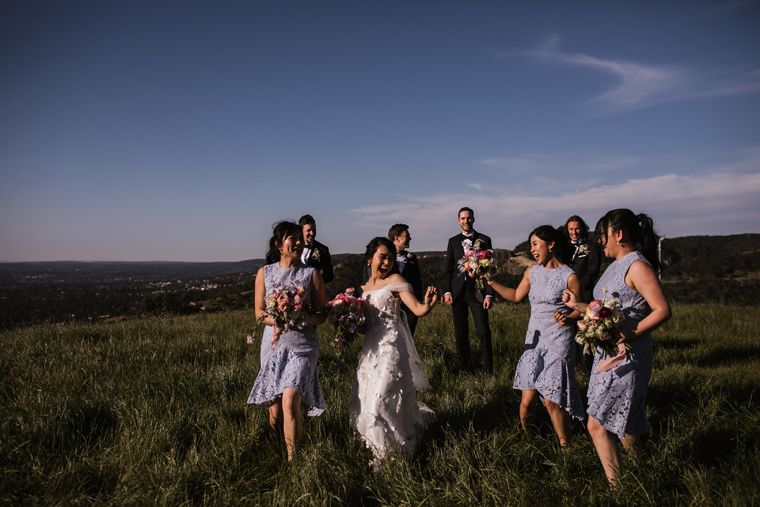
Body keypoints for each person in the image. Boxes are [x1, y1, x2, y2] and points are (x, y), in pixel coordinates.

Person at [563, 209, 671, 486]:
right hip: (607, 353)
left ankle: (618, 489)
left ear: (619, 234)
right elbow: (606, 309)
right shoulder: (616, 265)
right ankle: (642, 473)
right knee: (629, 421)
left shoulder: (637, 266)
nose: (601, 241)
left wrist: (628, 333)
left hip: (628, 355)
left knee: (596, 424)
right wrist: (579, 306)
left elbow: (662, 310)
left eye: (603, 235)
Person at [485, 225, 585, 446]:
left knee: (551, 400)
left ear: (551, 245)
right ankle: (527, 439)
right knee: (527, 399)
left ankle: (566, 445)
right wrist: (492, 283)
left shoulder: (570, 276)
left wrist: (569, 318)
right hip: (535, 338)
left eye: (535, 244)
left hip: (560, 339)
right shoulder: (532, 272)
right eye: (530, 245)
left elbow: (581, 308)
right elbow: (516, 295)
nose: (532, 249)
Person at [349, 237, 438, 466]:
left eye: (390, 257)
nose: (387, 262)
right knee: (367, 400)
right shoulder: (363, 289)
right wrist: (345, 322)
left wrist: (427, 304)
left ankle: (391, 454)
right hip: (371, 349)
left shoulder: (396, 280)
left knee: (381, 399)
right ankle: (379, 448)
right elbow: (364, 327)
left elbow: (416, 309)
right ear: (370, 260)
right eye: (382, 257)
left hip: (391, 346)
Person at [247, 221, 327, 462]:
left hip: (303, 347)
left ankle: (294, 462)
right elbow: (259, 313)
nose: (299, 242)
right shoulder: (265, 273)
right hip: (273, 346)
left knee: (290, 400)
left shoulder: (311, 274)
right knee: (275, 413)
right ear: (278, 245)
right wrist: (279, 319)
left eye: (300, 238)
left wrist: (300, 317)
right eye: (292, 238)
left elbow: (322, 315)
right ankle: (281, 446)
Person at [442, 207, 494, 374]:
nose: (466, 221)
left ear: (473, 219)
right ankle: (465, 369)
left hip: (477, 292)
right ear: (459, 221)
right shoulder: (452, 241)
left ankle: (488, 370)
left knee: (484, 331)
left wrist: (488, 293)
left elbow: (490, 270)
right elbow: (448, 270)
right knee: (461, 332)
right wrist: (447, 291)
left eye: (469, 218)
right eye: (463, 218)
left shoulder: (484, 239)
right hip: (457, 293)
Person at [561, 215, 601, 303]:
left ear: (583, 229)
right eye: (571, 229)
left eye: (577, 229)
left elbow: (592, 273)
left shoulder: (592, 247)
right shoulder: (563, 249)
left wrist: (576, 287)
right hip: (564, 296)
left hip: (584, 295)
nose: (574, 232)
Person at [299, 214, 334, 284]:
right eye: (308, 230)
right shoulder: (292, 247)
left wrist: (314, 281)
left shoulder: (323, 250)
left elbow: (329, 275)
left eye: (314, 230)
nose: (312, 233)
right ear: (301, 231)